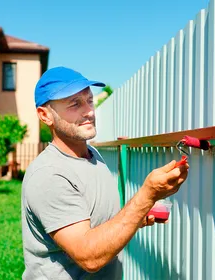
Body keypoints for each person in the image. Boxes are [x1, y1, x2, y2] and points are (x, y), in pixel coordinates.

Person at [21, 66, 189, 280]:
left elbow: (97, 224)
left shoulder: (91, 154)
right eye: (75, 104)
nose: (89, 111)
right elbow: (89, 256)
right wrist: (147, 195)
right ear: (45, 115)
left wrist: (138, 215)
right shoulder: (48, 175)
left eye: (89, 100)